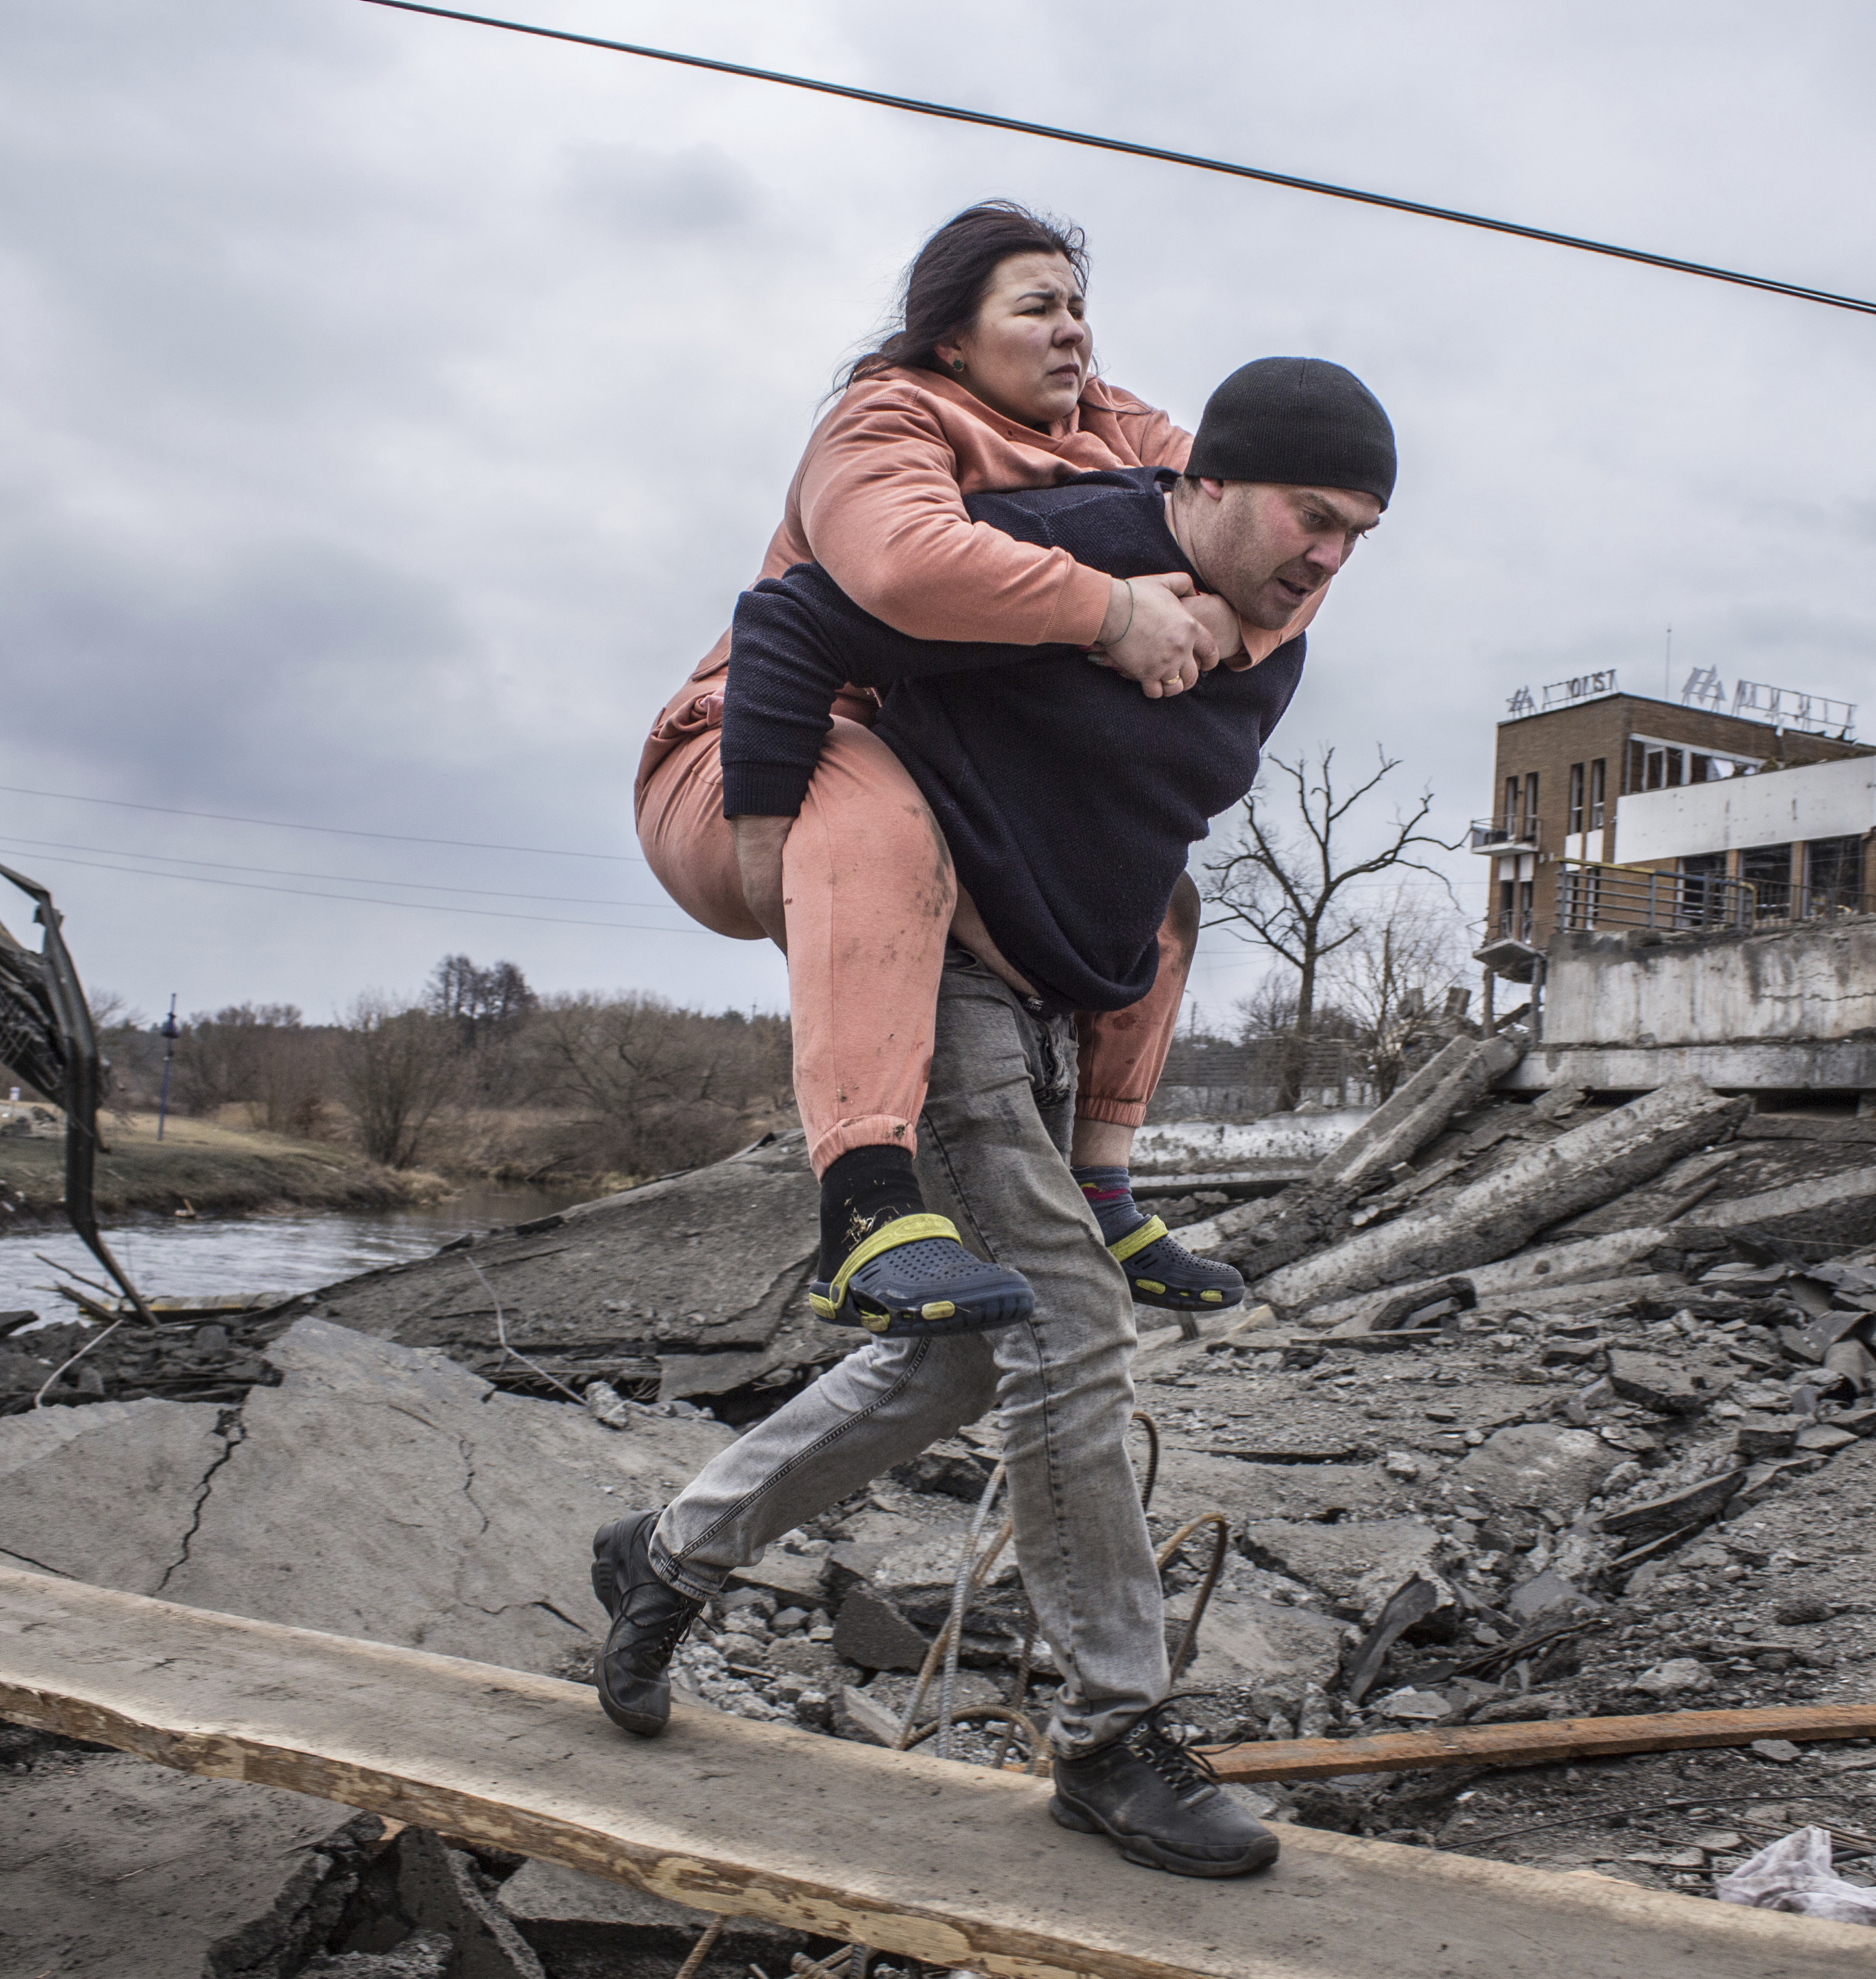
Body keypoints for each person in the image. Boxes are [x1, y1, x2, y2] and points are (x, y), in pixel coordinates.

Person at [596, 358, 1399, 1881]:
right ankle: (1110, 1734)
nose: (1331, 557)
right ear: (1211, 485)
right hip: (939, 968)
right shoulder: (1083, 546)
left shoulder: (1271, 637)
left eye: (1360, 533)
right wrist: (774, 835)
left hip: (1041, 1009)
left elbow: (1133, 836)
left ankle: (671, 1549)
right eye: (1313, 517)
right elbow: (798, 617)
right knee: (1075, 1329)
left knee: (966, 1357)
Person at [635, 203, 1328, 1337]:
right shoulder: (886, 417)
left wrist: (1213, 619)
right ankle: (863, 1210)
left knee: (1163, 907)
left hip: (932, 777)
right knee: (868, 804)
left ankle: (1106, 1184)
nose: (1075, 334)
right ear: (954, 339)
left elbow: (1274, 532)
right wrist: (1112, 612)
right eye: (1039, 307)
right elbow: (900, 568)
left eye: (1081, 308)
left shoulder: (1114, 425)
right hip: (753, 749)